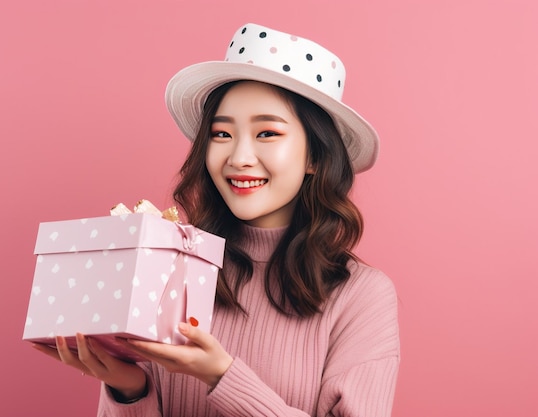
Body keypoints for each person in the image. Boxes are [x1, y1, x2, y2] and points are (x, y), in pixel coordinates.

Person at [33, 23, 400, 417]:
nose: (239, 157)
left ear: (314, 157)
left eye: (267, 134)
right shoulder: (169, 265)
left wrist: (223, 376)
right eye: (221, 134)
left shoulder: (361, 297)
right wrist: (130, 390)